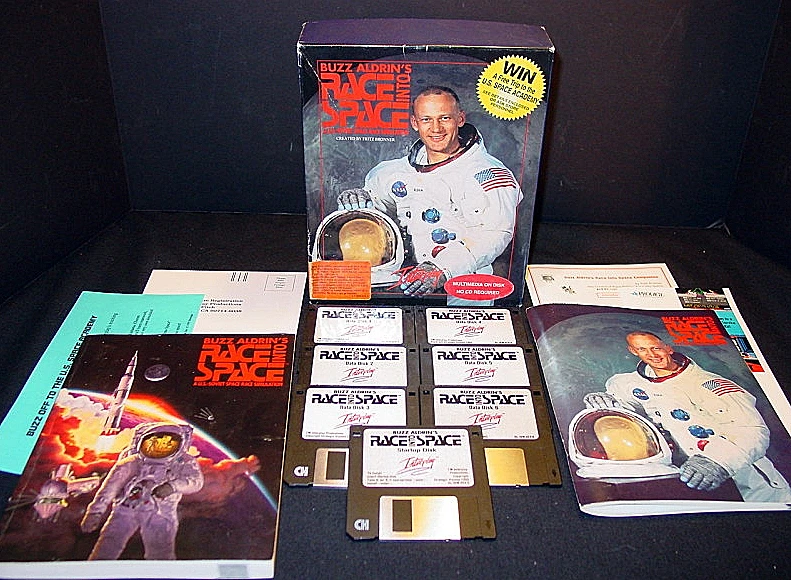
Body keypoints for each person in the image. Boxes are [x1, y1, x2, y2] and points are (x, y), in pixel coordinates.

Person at [337, 85, 523, 297]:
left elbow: (495, 234)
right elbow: (376, 208)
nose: (436, 128)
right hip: (404, 279)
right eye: (426, 119)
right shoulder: (393, 172)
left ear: (460, 119)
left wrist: (442, 268)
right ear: (415, 123)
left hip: (463, 284)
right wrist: (360, 199)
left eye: (445, 118)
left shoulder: (488, 174)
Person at [584, 331, 791, 502]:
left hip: (748, 483)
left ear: (668, 348)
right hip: (690, 480)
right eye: (642, 349)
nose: (652, 355)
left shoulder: (712, 385)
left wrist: (717, 462)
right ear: (633, 351)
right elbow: (625, 403)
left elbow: (753, 432)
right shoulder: (628, 383)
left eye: (656, 348)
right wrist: (607, 401)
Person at [80, 422, 204, 560]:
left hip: (159, 511)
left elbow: (195, 481)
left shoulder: (183, 461)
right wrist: (95, 512)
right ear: (142, 443)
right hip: (126, 509)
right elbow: (110, 487)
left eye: (168, 443)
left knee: (160, 551)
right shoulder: (131, 462)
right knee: (108, 545)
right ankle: (97, 569)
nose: (160, 447)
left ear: (179, 445)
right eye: (153, 442)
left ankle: (161, 571)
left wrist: (173, 486)